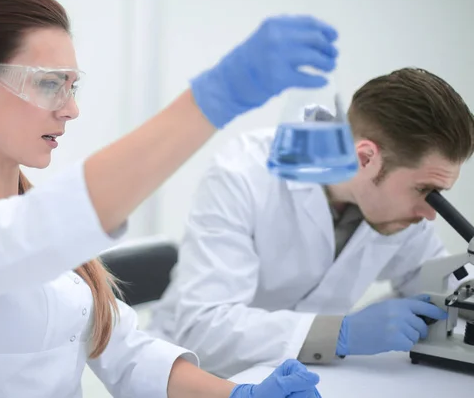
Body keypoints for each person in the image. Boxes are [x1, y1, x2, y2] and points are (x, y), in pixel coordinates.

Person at [0, 0, 341, 398]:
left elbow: (129, 353)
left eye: (72, 85)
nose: (72, 109)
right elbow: (17, 238)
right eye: (49, 83)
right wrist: (213, 99)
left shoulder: (48, 236)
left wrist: (237, 395)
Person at [147, 67, 474, 378]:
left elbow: (437, 284)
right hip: (197, 376)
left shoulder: (403, 210)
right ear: (366, 159)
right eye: (425, 191)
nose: (430, 212)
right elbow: (205, 328)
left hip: (309, 378)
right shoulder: (243, 173)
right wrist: (340, 332)